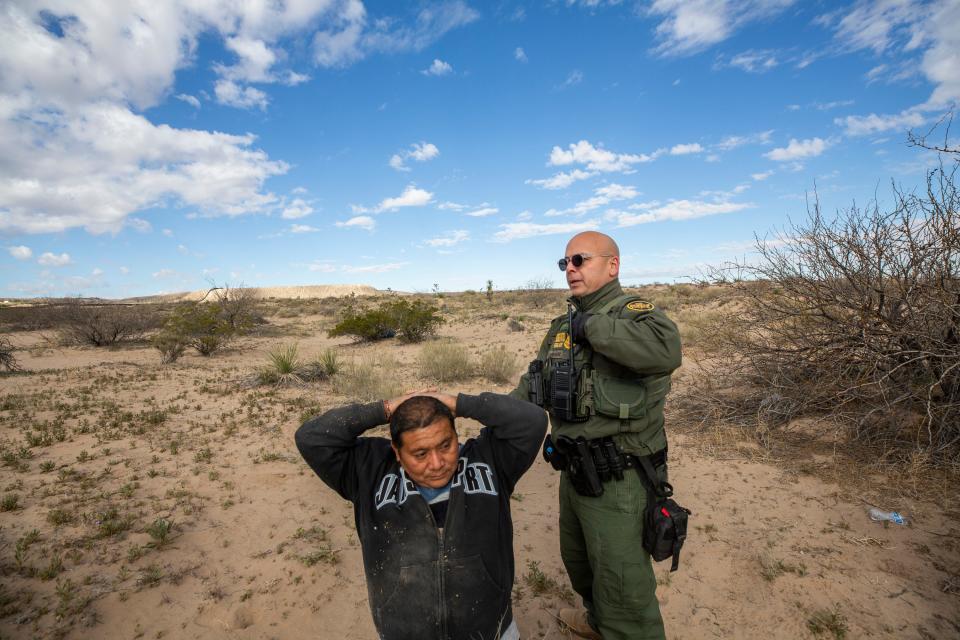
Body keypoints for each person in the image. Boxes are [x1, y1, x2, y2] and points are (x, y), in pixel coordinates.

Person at [510, 231, 682, 640]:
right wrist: (472, 408)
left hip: (621, 479)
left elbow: (665, 351)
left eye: (580, 260)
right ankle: (597, 621)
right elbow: (531, 387)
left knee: (624, 586)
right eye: (565, 262)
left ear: (612, 265)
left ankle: (622, 628)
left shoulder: (636, 314)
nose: (570, 269)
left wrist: (591, 325)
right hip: (574, 473)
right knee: (581, 563)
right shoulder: (560, 328)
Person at [295, 390, 547, 640]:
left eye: (446, 445)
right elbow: (311, 438)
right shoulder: (367, 471)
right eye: (420, 454)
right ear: (396, 451)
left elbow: (531, 421)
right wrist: (383, 409)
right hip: (404, 631)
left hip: (491, 631)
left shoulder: (491, 460)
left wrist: (461, 404)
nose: (437, 463)